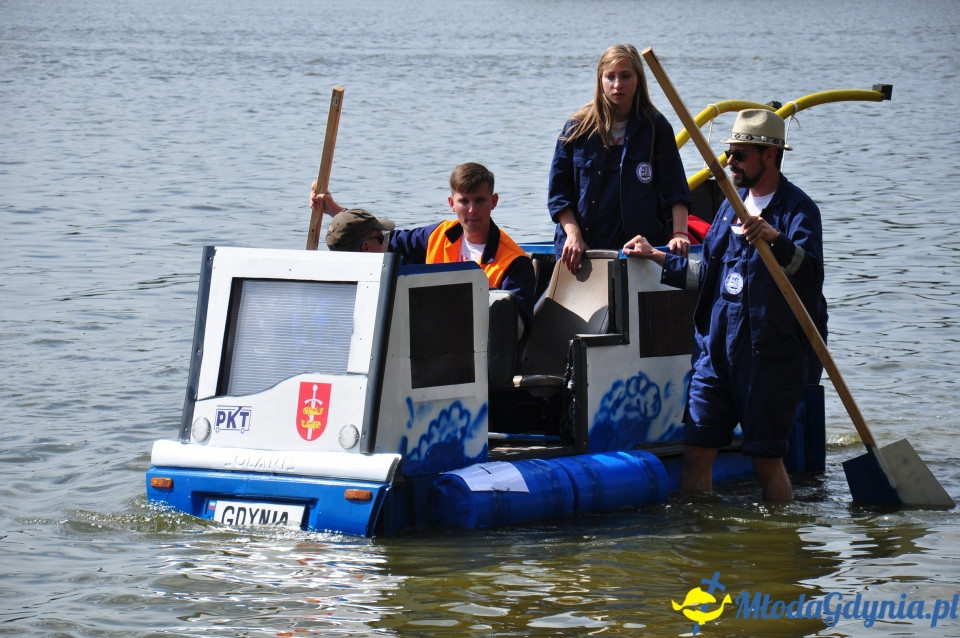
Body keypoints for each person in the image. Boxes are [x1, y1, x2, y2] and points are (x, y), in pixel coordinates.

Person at [622, 109, 826, 501]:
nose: (730, 162)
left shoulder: (799, 210)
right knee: (697, 451)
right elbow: (707, 278)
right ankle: (698, 541)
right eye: (728, 153)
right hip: (715, 355)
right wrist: (656, 256)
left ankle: (781, 544)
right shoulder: (727, 206)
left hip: (769, 357)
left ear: (769, 156)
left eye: (740, 155)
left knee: (765, 459)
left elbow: (811, 275)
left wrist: (775, 239)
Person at [311, 162, 536, 334]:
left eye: (479, 200)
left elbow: (514, 331)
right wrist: (336, 212)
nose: (471, 210)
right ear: (451, 203)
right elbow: (376, 240)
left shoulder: (515, 262)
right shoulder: (436, 235)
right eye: (464, 201)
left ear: (493, 202)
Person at [548, 44, 693, 274]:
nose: (618, 85)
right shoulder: (576, 128)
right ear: (600, 80)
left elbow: (676, 190)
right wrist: (573, 235)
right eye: (610, 76)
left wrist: (679, 234)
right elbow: (558, 195)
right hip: (583, 251)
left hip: (639, 252)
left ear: (638, 80)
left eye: (626, 76)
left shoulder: (656, 127)